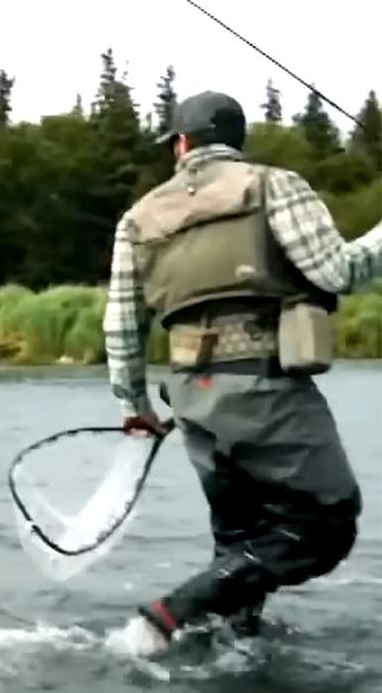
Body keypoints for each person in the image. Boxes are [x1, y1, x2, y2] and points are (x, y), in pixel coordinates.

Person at [103, 90, 381, 655]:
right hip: (264, 386)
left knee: (240, 539)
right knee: (323, 526)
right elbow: (338, 272)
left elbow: (122, 326)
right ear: (235, 141)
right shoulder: (273, 183)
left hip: (190, 396)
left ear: (181, 143)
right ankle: (169, 616)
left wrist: (136, 407)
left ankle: (228, 648)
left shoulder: (137, 218)